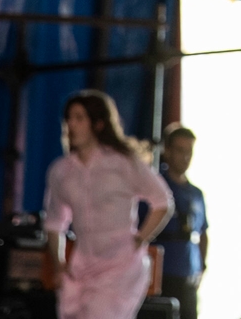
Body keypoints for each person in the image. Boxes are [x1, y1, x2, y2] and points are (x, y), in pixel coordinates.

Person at [44, 90, 174, 319]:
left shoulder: (122, 163)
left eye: (79, 118)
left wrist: (140, 238)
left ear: (98, 124)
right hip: (81, 267)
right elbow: (55, 222)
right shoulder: (61, 171)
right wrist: (59, 264)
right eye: (68, 119)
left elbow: (162, 201)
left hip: (119, 266)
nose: (71, 125)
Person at [153, 124, 208, 319]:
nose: (185, 157)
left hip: (188, 276)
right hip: (160, 277)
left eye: (189, 151)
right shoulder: (155, 187)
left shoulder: (196, 194)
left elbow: (203, 233)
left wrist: (202, 266)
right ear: (167, 151)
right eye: (179, 150)